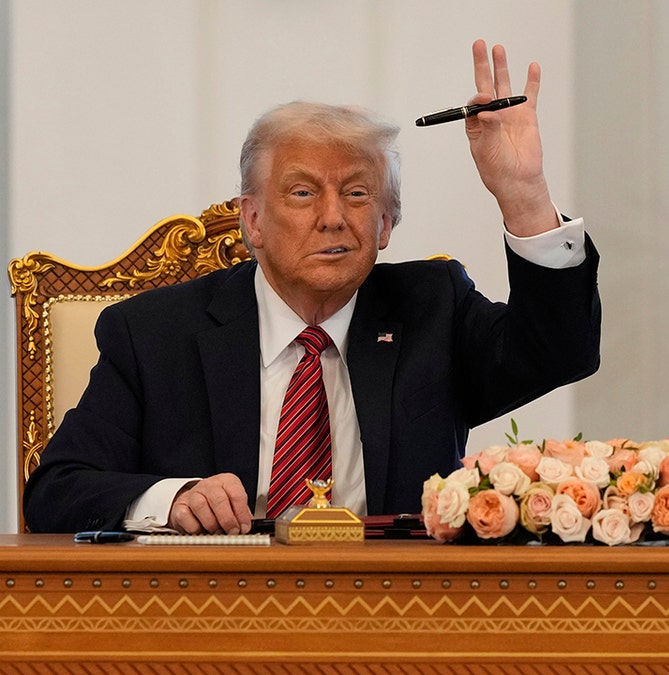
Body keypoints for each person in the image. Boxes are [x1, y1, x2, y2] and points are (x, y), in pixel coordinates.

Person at [23, 40, 601, 535]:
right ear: (252, 220)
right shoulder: (155, 333)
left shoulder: (433, 309)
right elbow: (56, 490)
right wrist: (172, 500)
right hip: (214, 609)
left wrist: (524, 195)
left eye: (357, 194)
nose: (332, 218)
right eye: (302, 193)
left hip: (396, 611)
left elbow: (560, 352)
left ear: (385, 225)